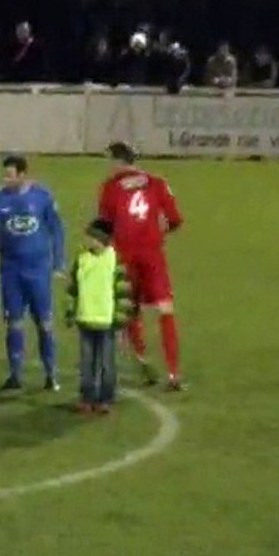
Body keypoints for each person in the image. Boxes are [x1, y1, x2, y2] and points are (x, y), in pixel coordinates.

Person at [98, 142, 184, 390]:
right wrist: (158, 234)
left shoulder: (110, 187)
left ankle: (144, 362)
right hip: (152, 255)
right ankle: (173, 373)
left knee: (130, 310)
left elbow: (104, 225)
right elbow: (176, 219)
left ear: (117, 161)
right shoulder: (157, 182)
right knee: (165, 309)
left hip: (125, 255)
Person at [0, 155, 66, 391]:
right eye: (5, 174)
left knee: (44, 322)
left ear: (22, 175)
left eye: (10, 175)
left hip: (38, 270)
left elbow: (56, 229)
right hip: (11, 270)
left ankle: (51, 374)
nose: (6, 179)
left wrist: (59, 262)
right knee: (13, 322)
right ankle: (15, 374)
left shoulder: (42, 197)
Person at [64, 219, 135, 414]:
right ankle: (87, 397)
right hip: (85, 320)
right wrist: (71, 312)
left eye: (91, 237)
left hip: (107, 323)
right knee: (86, 363)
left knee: (106, 364)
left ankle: (106, 398)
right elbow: (73, 289)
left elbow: (123, 294)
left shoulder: (115, 261)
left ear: (101, 239)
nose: (86, 240)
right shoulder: (81, 259)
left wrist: (120, 322)